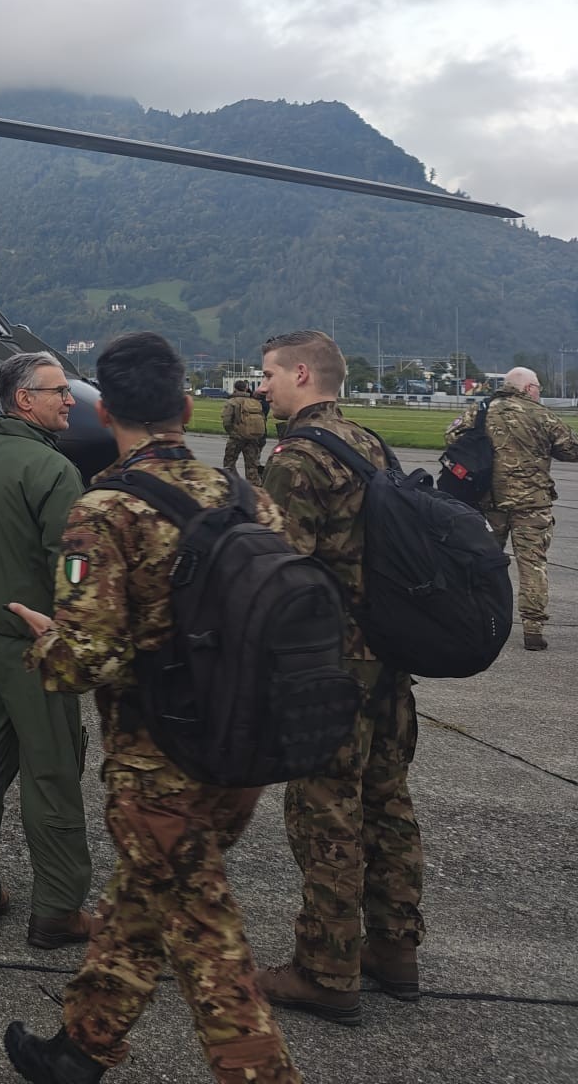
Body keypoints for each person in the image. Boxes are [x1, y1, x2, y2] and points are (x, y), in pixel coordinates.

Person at [4, 331, 301, 1084]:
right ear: (188, 406)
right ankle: (80, 1048)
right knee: (145, 897)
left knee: (208, 946)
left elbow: (88, 658)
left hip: (156, 762)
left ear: (106, 415)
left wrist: (46, 643)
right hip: (241, 755)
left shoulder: (105, 511)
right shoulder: (248, 499)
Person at [254, 329, 418, 1023]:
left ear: (300, 373)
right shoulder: (369, 443)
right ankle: (394, 949)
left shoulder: (295, 459)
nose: (260, 387)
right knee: (387, 804)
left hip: (331, 670)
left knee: (326, 815)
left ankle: (327, 970)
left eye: (266, 374)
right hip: (389, 664)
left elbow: (282, 575)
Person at [0, 352, 93, 950]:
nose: (71, 400)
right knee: (53, 769)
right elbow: (74, 558)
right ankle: (57, 908)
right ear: (24, 399)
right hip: (36, 645)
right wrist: (75, 622)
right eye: (60, 391)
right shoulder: (54, 471)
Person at [453, 365, 576, 652]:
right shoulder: (541, 415)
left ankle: (477, 619)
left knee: (483, 562)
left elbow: (453, 436)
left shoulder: (481, 410)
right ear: (528, 388)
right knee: (532, 564)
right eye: (538, 388)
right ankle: (533, 628)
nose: (539, 393)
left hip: (490, 502)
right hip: (532, 505)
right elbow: (571, 449)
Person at [221, 382, 268, 483]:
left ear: (235, 388)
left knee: (229, 463)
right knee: (252, 466)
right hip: (253, 437)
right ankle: (255, 489)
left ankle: (235, 484)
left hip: (236, 437)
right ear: (246, 388)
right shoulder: (254, 402)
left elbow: (227, 421)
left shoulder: (232, 402)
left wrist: (232, 432)